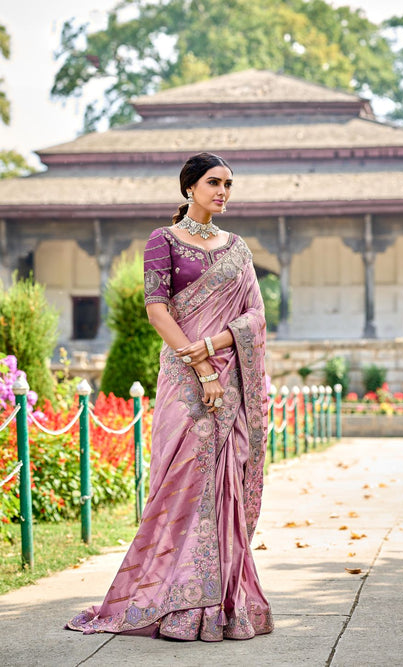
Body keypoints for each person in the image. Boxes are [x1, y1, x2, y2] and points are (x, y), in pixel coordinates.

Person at [66, 152, 274, 642]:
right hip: (185, 380)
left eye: (228, 184)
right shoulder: (162, 240)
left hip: (230, 377)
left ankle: (222, 602)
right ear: (189, 188)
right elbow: (157, 310)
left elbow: (254, 318)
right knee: (181, 484)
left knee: (224, 480)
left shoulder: (238, 249)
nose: (223, 191)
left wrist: (214, 347)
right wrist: (201, 365)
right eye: (213, 182)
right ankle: (175, 599)